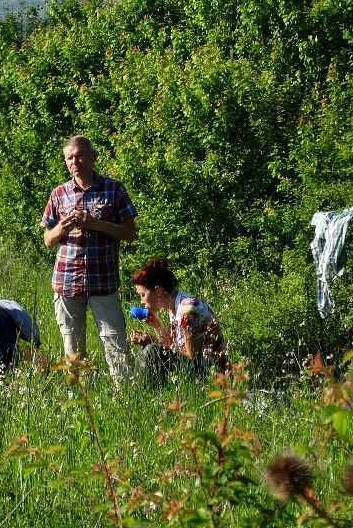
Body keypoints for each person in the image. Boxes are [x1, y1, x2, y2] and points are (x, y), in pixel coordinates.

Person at [42, 136, 137, 379]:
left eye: (80, 155)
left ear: (93, 157)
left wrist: (95, 224)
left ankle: (125, 395)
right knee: (73, 348)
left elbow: (130, 233)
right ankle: (81, 399)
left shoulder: (113, 189)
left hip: (103, 281)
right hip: (67, 281)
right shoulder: (59, 194)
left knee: (115, 341)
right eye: (69, 157)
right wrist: (61, 228)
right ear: (66, 162)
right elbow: (48, 240)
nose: (75, 161)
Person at [129, 257, 227, 385]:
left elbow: (192, 358)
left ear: (158, 291)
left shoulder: (188, 311)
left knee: (151, 351)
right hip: (195, 367)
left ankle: (148, 394)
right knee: (145, 352)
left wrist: (155, 342)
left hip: (210, 374)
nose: (141, 301)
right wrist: (157, 324)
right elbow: (175, 346)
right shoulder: (174, 305)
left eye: (143, 295)